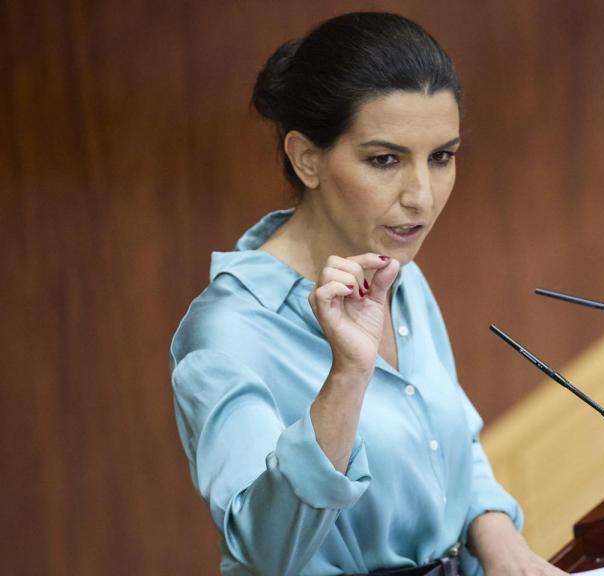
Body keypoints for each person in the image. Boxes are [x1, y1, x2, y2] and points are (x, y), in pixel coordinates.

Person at [170, 12, 568, 576]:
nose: (422, 198)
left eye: (442, 157)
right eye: (385, 160)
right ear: (307, 158)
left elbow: (445, 444)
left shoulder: (395, 268)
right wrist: (347, 377)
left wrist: (498, 534)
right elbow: (266, 552)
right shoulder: (229, 330)